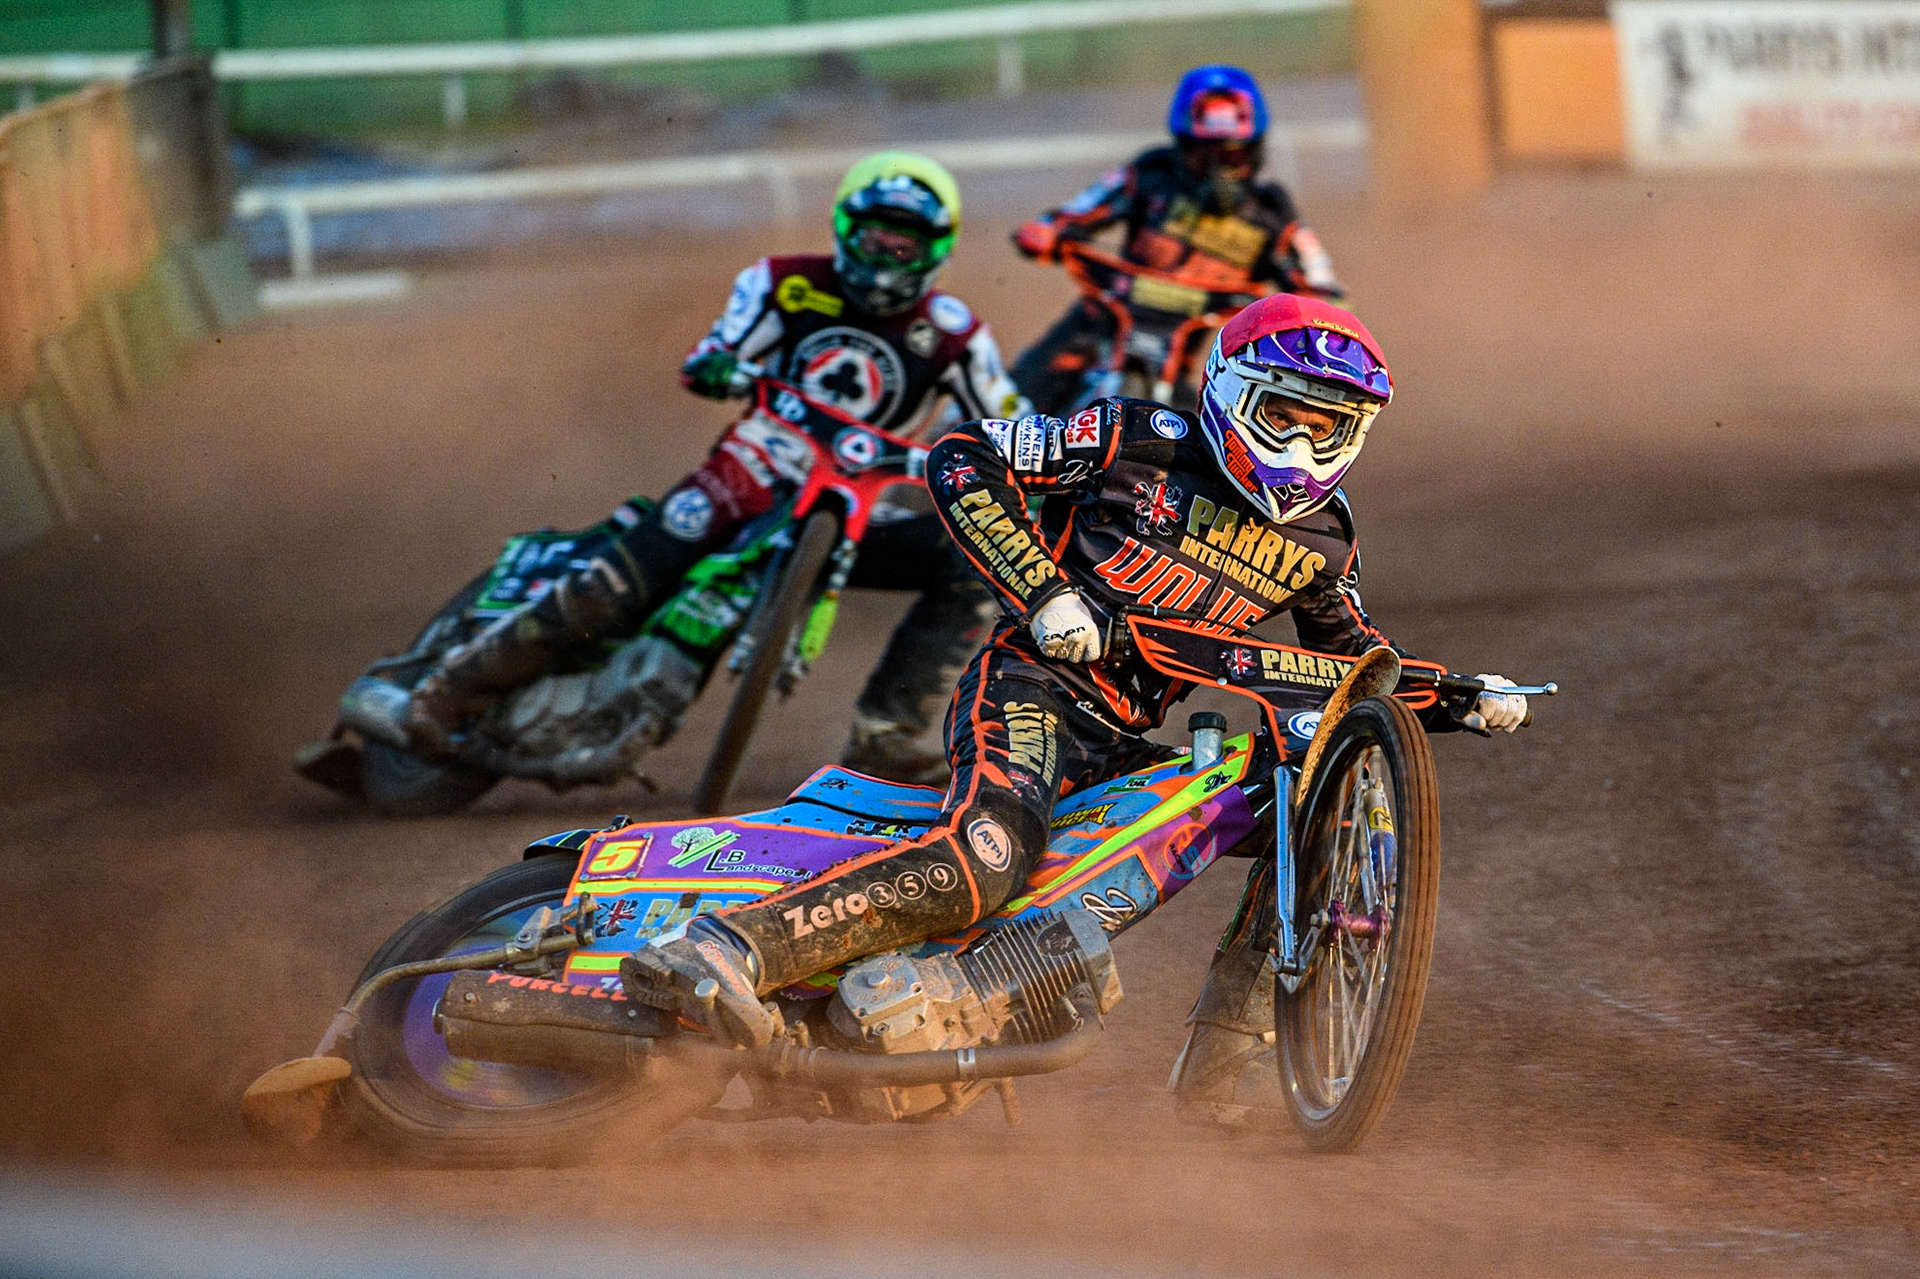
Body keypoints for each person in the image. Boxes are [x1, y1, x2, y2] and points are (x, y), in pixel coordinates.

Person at [620, 293, 1530, 1106]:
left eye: (1326, 425)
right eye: (1282, 413)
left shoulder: (1327, 541)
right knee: (988, 858)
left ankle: (1228, 1059)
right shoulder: (1134, 436)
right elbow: (962, 455)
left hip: (1126, 734)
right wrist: (1045, 592)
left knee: (1306, 795)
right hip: (1029, 686)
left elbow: (1355, 668)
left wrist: (1461, 697)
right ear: (1228, 390)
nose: (1299, 442)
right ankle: (728, 947)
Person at [402, 152, 1026, 784]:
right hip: (748, 473)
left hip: (857, 512)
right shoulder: (782, 283)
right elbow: (713, 351)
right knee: (614, 587)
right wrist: (719, 365)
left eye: (904, 245)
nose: (885, 258)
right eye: (874, 238)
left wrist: (1029, 461)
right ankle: (448, 691)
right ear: (844, 228)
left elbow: (1006, 419)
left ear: (936, 249)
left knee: (972, 560)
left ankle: (887, 734)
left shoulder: (958, 336)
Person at [1008, 64, 1347, 416]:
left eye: (1232, 156)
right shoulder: (1151, 173)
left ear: (1255, 150)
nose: (1220, 174)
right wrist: (1046, 231)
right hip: (1095, 330)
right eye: (1205, 157)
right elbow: (1079, 211)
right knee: (1006, 402)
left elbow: (1318, 281)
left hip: (1182, 364)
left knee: (1210, 450)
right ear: (1182, 149)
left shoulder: (1272, 210)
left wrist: (1320, 307)